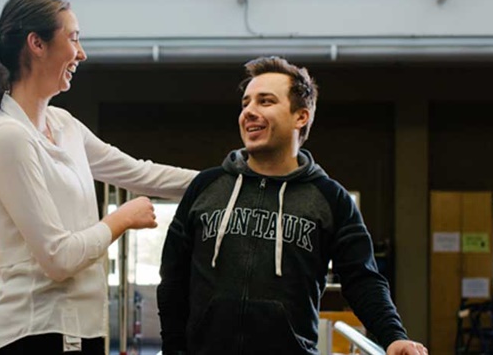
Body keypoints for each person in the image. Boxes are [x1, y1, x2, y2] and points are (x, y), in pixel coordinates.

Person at [0, 0, 198, 355]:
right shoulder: (9, 138)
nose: (81, 53)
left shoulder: (64, 125)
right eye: (73, 38)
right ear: (36, 44)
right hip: (34, 333)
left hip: (78, 329)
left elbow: (139, 173)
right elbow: (57, 258)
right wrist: (121, 218)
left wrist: (228, 178)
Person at [157, 56, 427, 355]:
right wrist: (173, 348)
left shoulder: (330, 199)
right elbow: (173, 278)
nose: (249, 112)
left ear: (301, 117)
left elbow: (362, 280)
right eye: (246, 103)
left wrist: (393, 336)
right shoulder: (207, 187)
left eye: (265, 101)